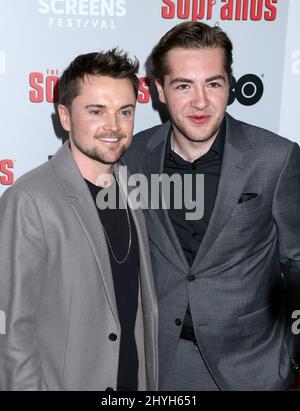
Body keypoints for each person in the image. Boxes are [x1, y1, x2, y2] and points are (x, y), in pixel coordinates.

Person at [124, 21, 300, 390]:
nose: (200, 101)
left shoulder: (276, 157)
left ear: (230, 85)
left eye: (213, 84)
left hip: (252, 366)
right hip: (159, 362)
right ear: (160, 90)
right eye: (184, 85)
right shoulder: (134, 156)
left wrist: (291, 351)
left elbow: (297, 261)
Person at [0, 49, 158, 391]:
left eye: (125, 111)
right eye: (96, 111)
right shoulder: (29, 200)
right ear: (65, 117)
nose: (114, 127)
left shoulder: (133, 189)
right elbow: (12, 334)